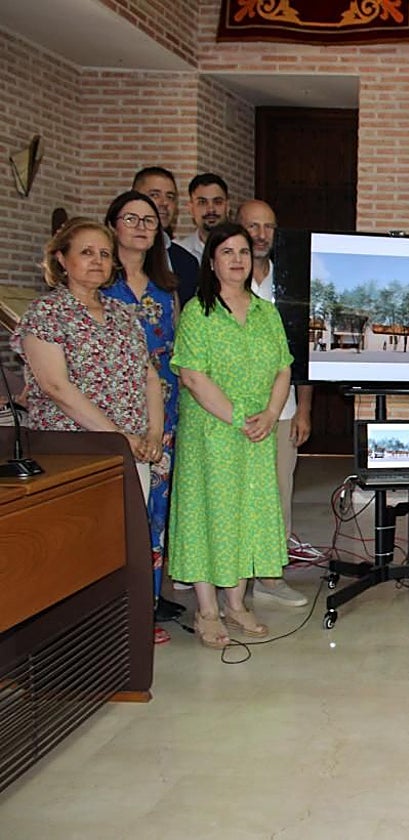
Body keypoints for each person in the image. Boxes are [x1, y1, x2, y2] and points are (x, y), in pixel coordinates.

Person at [13, 219, 164, 638]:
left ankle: (118, 640)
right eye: (86, 252)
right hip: (76, 455)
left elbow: (149, 375)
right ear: (61, 259)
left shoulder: (122, 312)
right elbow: (56, 387)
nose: (97, 261)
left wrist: (152, 434)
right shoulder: (46, 313)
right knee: (78, 553)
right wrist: (119, 437)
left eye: (103, 253)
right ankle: (71, 643)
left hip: (133, 451)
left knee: (124, 549)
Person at [169, 222, 293, 649]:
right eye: (227, 252)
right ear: (212, 261)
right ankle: (206, 610)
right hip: (212, 434)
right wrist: (241, 418)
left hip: (258, 431)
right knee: (210, 516)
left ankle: (237, 603)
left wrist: (272, 413)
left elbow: (283, 367)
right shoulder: (196, 311)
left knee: (247, 515)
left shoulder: (266, 313)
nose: (238, 259)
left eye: (243, 251)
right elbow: (192, 376)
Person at [103, 190, 182, 640]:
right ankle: (112, 614)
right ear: (113, 224)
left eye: (149, 221)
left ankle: (146, 608)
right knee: (113, 517)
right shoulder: (98, 282)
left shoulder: (164, 289)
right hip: (109, 419)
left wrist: (165, 425)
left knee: (155, 515)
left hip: (162, 420)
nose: (140, 227)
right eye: (130, 218)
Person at [236, 198, 320, 608]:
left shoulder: (289, 282)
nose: (261, 234)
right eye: (253, 226)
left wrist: (302, 408)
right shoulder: (223, 281)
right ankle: (231, 576)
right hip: (231, 412)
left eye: (268, 226)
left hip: (283, 408)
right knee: (235, 494)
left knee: (278, 492)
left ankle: (270, 577)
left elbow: (302, 353)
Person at [132, 166, 200, 306]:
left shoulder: (187, 263)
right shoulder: (112, 255)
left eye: (170, 197)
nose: (164, 203)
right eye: (155, 194)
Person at [178, 173, 229, 262]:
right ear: (191, 208)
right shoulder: (179, 251)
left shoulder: (242, 252)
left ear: (228, 207)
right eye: (202, 202)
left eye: (217, 202)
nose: (211, 209)